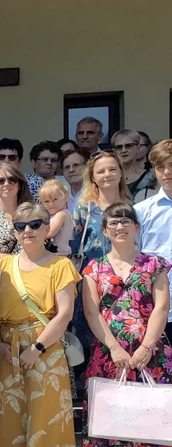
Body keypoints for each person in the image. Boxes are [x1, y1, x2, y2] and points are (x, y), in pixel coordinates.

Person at [0, 202, 81, 447]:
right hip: (8, 349)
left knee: (44, 421)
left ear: (46, 229)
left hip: (46, 348)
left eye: (35, 224)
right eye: (20, 226)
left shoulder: (60, 265)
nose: (27, 231)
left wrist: (37, 348)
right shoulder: (2, 266)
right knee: (11, 421)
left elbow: (65, 312)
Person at [81, 202, 172, 447]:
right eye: (113, 223)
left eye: (126, 221)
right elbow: (91, 311)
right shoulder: (93, 269)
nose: (120, 227)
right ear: (105, 231)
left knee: (148, 420)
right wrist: (114, 348)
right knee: (115, 420)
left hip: (150, 356)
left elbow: (161, 308)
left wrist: (146, 347)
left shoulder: (155, 265)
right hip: (110, 356)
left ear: (136, 227)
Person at [135, 139, 172, 339]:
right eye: (160, 167)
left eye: (171, 165)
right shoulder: (141, 211)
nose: (166, 172)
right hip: (153, 307)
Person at [72, 151, 130, 272]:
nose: (107, 174)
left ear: (120, 173)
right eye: (101, 171)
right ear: (93, 177)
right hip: (91, 280)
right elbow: (72, 247)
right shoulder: (84, 210)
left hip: (126, 277)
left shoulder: (133, 210)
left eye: (112, 169)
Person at [112, 130, 157, 203]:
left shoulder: (151, 177)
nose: (123, 150)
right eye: (119, 147)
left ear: (138, 148)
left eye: (128, 146)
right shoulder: (109, 177)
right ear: (114, 151)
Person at [38, 179, 75, 255]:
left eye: (55, 199)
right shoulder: (52, 215)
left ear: (64, 197)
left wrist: (35, 236)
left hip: (60, 253)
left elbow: (50, 233)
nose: (51, 204)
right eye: (46, 201)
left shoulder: (61, 215)